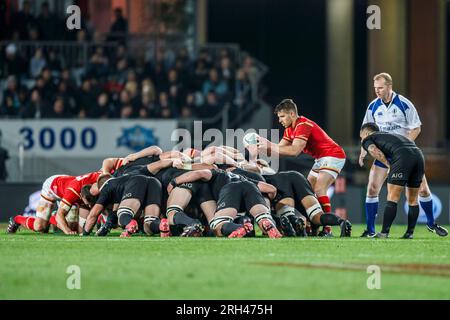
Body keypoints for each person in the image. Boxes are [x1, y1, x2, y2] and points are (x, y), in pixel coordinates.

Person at [359, 73, 447, 237]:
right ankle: (370, 230)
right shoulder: (373, 106)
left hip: (403, 155)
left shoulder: (404, 104)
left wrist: (403, 146)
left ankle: (431, 223)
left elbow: (417, 128)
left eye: (380, 87)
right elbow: (366, 131)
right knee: (372, 188)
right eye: (375, 88)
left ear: (389, 86)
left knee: (423, 190)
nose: (377, 91)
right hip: (382, 154)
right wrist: (364, 151)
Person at [257, 99, 346, 235]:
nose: (280, 120)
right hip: (320, 159)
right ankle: (312, 225)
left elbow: (294, 151)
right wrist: (263, 149)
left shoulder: (303, 124)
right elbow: (280, 149)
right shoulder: (289, 129)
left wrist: (269, 146)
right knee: (308, 191)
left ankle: (327, 229)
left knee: (319, 188)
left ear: (292, 114)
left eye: (282, 116)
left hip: (333, 155)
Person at [360, 123, 425, 239]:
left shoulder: (368, 139)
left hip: (402, 156)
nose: (362, 139)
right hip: (418, 155)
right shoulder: (388, 135)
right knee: (413, 200)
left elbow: (374, 151)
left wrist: (388, 165)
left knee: (392, 197)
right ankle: (409, 233)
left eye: (361, 137)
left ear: (365, 133)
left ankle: (384, 233)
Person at [7, 171, 102, 235]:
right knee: (40, 227)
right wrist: (68, 232)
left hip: (68, 184)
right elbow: (60, 214)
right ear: (81, 196)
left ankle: (51, 218)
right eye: (88, 202)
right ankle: (16, 219)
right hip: (52, 188)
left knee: (80, 231)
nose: (90, 205)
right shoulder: (72, 193)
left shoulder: (98, 179)